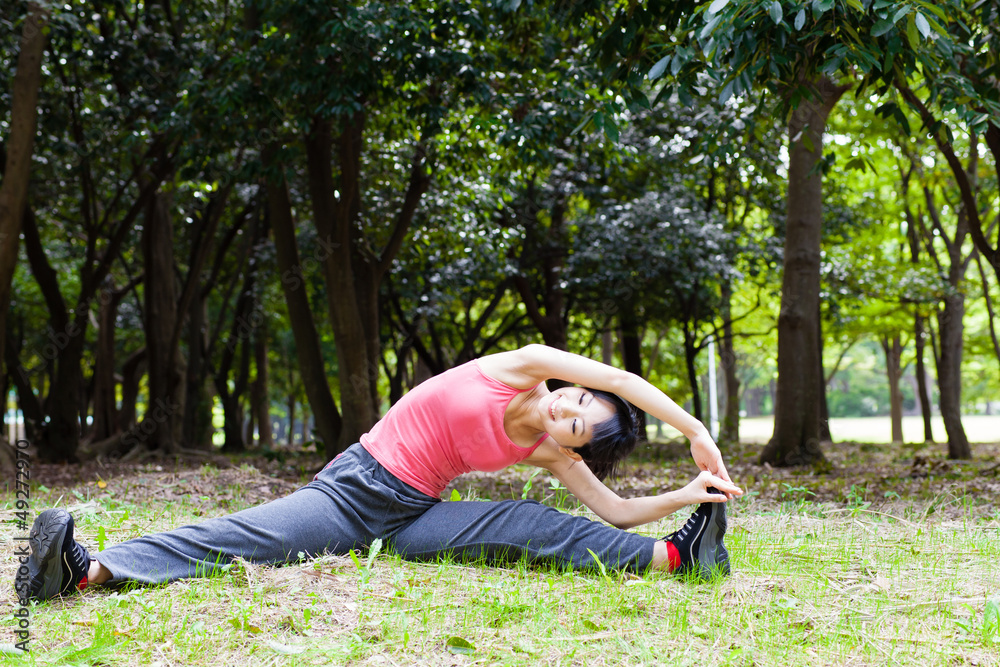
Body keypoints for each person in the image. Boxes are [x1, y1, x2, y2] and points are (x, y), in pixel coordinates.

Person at [20, 344, 743, 602]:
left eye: (577, 424)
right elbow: (618, 373)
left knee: (534, 523)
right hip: (356, 488)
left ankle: (682, 554)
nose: (565, 410)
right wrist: (695, 429)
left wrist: (684, 496)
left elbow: (611, 509)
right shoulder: (520, 368)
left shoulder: (548, 453)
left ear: (576, 444)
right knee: (245, 536)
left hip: (415, 513)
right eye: (576, 399)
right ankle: (89, 572)